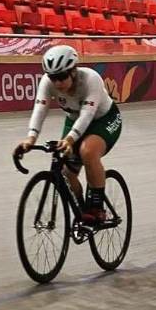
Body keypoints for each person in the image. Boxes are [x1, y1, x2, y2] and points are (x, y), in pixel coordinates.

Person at [15, 45, 122, 224]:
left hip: (104, 119)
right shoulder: (47, 83)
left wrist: (70, 139)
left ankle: (97, 207)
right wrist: (31, 138)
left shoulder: (91, 79)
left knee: (88, 151)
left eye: (62, 77)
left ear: (73, 71)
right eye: (53, 77)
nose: (57, 83)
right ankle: (83, 211)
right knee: (65, 172)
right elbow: (40, 110)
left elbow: (87, 115)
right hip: (74, 120)